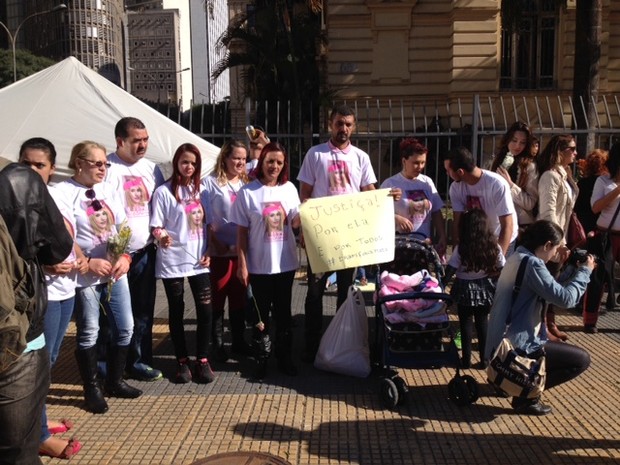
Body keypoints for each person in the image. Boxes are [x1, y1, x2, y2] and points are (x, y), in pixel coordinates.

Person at [54, 141, 143, 415]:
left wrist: (125, 257)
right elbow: (65, 234)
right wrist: (89, 261)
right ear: (79, 162)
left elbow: (123, 226)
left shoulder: (108, 189)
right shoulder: (63, 191)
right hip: (86, 275)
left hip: (114, 270)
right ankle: (92, 388)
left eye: (106, 163)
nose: (103, 168)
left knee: (126, 326)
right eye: (97, 163)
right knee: (89, 329)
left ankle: (115, 380)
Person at [19, 138, 88, 459]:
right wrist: (46, 262)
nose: (32, 170)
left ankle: (38, 420)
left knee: (50, 360)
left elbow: (70, 233)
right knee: (35, 365)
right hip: (38, 295)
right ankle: (39, 435)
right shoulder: (15, 201)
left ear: (51, 168)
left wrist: (81, 257)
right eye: (26, 163)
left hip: (65, 290)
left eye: (39, 165)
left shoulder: (57, 195)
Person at [0, 163, 73, 464]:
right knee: (17, 451)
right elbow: (58, 248)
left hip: (16, 337)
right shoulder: (18, 179)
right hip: (16, 341)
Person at [485, 220, 593, 416]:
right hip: (516, 350)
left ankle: (510, 384)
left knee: (557, 350)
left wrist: (569, 269)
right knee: (581, 359)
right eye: (556, 248)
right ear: (547, 246)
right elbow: (566, 299)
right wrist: (585, 271)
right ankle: (526, 395)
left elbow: (552, 289)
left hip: (497, 348)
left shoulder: (517, 256)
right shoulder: (533, 264)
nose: (555, 254)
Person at [297, 104, 378, 362]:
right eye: (339, 123)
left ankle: (341, 342)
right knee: (314, 292)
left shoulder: (361, 157)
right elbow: (305, 195)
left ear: (353, 127)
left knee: (345, 293)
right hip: (322, 237)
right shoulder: (315, 154)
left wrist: (388, 199)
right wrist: (304, 232)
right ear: (330, 124)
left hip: (348, 238)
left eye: (348, 124)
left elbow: (370, 192)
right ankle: (311, 345)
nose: (343, 129)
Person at [231, 142, 301, 379]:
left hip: (285, 263)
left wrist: (311, 213)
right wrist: (242, 263)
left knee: (283, 314)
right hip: (259, 265)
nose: (274, 166)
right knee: (260, 316)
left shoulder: (290, 189)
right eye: (270, 161)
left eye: (279, 162)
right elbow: (241, 233)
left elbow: (295, 221)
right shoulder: (248, 192)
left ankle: (285, 358)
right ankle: (261, 359)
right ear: (262, 162)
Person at [104, 117, 165, 382]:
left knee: (143, 311)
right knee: (112, 314)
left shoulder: (152, 170)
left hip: (143, 253)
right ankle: (107, 367)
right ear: (121, 141)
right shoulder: (106, 167)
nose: (142, 145)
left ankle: (139, 362)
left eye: (145, 139)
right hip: (113, 256)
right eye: (136, 140)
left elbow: (160, 209)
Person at [150, 143, 215, 384]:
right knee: (176, 310)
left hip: (199, 259)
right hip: (174, 260)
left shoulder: (203, 191)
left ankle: (202, 360)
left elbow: (209, 225)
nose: (189, 167)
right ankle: (182, 362)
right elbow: (156, 225)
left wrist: (209, 248)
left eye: (194, 163)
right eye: (185, 162)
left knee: (205, 310)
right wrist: (162, 235)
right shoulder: (164, 192)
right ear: (177, 162)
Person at [203, 140, 252, 361]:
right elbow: (204, 217)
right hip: (219, 251)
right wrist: (213, 240)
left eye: (243, 158)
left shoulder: (247, 183)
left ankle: (239, 341)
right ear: (225, 158)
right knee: (218, 296)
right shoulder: (211, 183)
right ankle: (218, 344)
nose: (240, 162)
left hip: (241, 251)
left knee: (239, 296)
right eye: (236, 158)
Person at [444, 209, 505, 369]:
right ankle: (485, 360)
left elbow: (450, 269)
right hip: (485, 288)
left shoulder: (461, 248)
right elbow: (502, 266)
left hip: (464, 288)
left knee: (465, 324)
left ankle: (466, 360)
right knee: (483, 323)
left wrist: (440, 285)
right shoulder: (493, 246)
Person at [536, 134, 579, 341]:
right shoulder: (550, 176)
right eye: (572, 149)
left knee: (553, 282)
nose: (575, 153)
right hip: (550, 241)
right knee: (547, 285)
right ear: (560, 151)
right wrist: (558, 243)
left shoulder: (565, 174)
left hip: (560, 237)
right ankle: (542, 327)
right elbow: (548, 212)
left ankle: (549, 323)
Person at [444, 146, 518, 257]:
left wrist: (499, 258)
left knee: (500, 274)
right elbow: (457, 222)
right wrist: (456, 253)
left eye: (448, 171)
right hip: (478, 241)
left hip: (501, 238)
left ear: (460, 172)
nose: (447, 174)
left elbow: (508, 224)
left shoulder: (496, 184)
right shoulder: (455, 188)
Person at [380, 138, 447, 255]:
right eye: (416, 163)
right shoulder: (390, 184)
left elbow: (436, 211)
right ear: (404, 161)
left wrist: (442, 235)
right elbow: (378, 212)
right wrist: (396, 218)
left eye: (423, 162)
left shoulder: (427, 182)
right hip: (399, 245)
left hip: (424, 244)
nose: (420, 167)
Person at [590, 143, 620, 332]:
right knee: (598, 279)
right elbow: (595, 207)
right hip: (605, 235)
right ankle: (590, 320)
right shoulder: (603, 181)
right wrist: (618, 190)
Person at [491, 122, 539, 230]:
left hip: (520, 225)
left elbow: (530, 203)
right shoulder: (497, 161)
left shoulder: (529, 167)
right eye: (514, 140)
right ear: (507, 139)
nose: (517, 146)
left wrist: (511, 185)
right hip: (497, 222)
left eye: (522, 142)